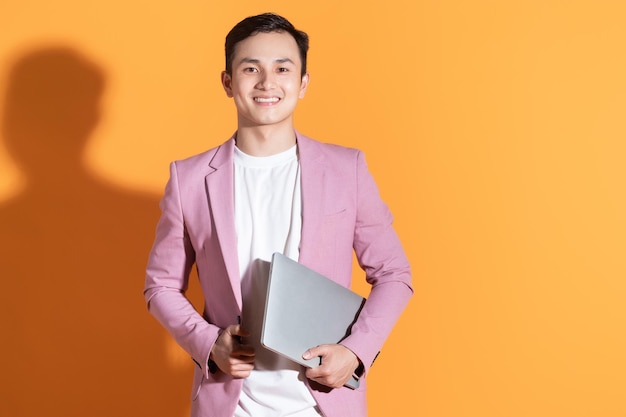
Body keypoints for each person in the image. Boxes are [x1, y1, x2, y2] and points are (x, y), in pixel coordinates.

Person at [144, 12, 413, 417]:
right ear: (228, 82)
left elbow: (394, 274)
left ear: (303, 83)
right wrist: (208, 343)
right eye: (251, 68)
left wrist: (355, 352)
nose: (268, 83)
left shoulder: (347, 170)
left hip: (325, 402)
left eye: (283, 68)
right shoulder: (189, 178)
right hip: (230, 404)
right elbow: (160, 286)